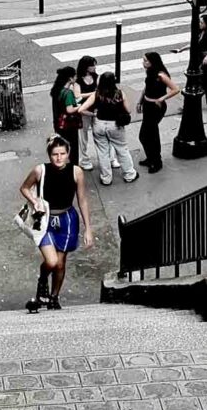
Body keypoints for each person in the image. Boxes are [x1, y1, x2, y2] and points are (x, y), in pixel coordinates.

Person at [19, 135, 94, 312]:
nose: (59, 158)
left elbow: (82, 200)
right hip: (44, 220)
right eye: (55, 154)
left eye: (62, 153)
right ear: (49, 155)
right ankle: (43, 278)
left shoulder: (76, 172)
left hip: (67, 220)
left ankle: (54, 297)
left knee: (60, 263)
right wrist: (34, 200)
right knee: (51, 262)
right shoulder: (40, 171)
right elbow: (24, 187)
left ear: (68, 154)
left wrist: (88, 229)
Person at [91, 71, 138, 185]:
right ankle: (129, 174)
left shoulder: (97, 94)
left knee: (103, 152)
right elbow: (128, 110)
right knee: (122, 149)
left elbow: (82, 109)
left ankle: (106, 178)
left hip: (99, 124)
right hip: (115, 125)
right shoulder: (120, 93)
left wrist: (94, 114)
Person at [139, 49, 181, 171]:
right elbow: (146, 87)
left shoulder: (161, 75)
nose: (143, 63)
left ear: (152, 62)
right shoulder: (150, 72)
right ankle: (151, 158)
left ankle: (156, 161)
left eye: (145, 61)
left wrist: (161, 98)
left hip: (155, 107)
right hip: (147, 105)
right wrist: (140, 101)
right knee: (146, 135)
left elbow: (175, 89)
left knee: (149, 135)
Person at [72, 55, 99, 171]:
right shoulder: (78, 81)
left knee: (99, 134)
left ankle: (108, 158)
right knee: (83, 137)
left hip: (96, 109)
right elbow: (77, 95)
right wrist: (93, 93)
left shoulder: (96, 77)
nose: (94, 67)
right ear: (86, 67)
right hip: (84, 111)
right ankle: (84, 159)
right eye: (92, 65)